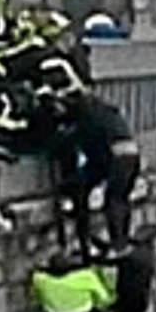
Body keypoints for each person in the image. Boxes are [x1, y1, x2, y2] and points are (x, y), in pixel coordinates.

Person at [48, 83, 142, 257]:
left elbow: (74, 142)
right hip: (130, 154)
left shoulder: (85, 118)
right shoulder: (102, 111)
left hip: (116, 157)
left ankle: (117, 245)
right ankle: (121, 240)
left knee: (112, 199)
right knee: (121, 197)